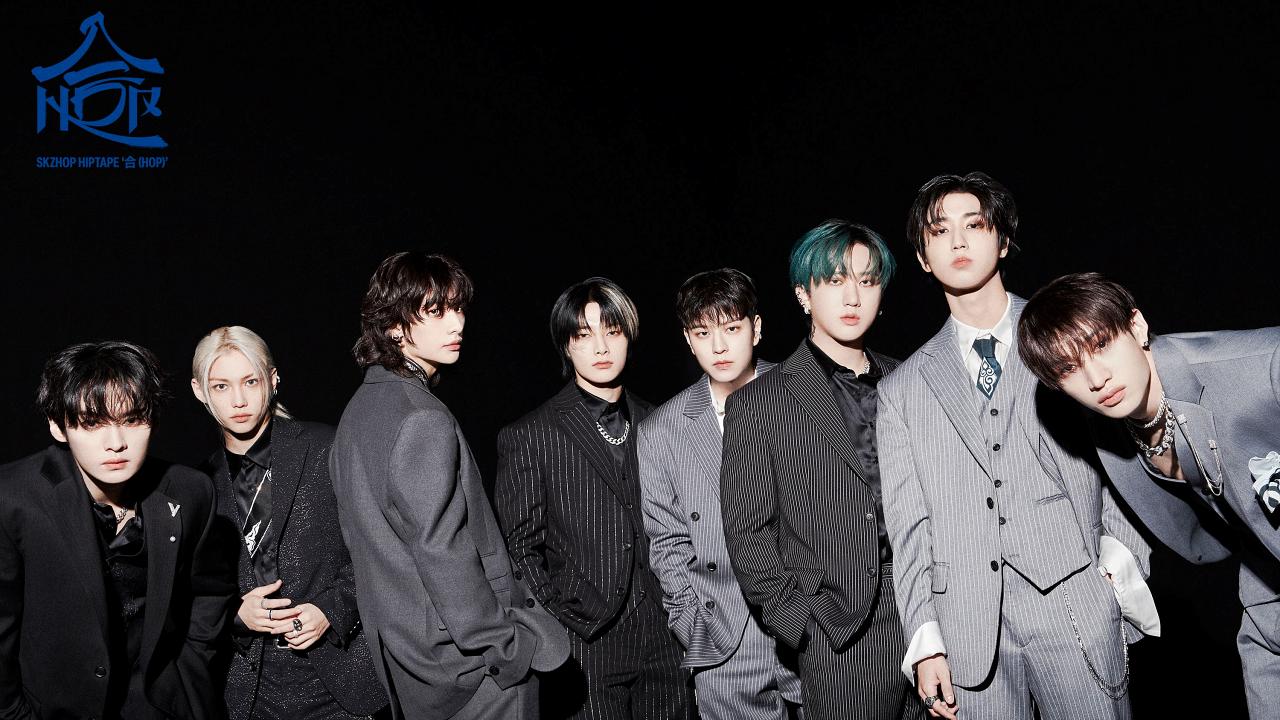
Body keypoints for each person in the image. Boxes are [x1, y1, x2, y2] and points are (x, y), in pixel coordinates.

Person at [877, 172, 1155, 720]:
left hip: (1075, 604)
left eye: (975, 225)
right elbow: (908, 524)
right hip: (967, 629)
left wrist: (1118, 567)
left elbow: (1123, 447)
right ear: (923, 258)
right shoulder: (901, 390)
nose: (958, 241)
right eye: (940, 231)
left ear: (1002, 240)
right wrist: (925, 639)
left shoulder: (1067, 338)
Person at [1017, 271, 1280, 719]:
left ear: (1136, 326)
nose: (1096, 377)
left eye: (1101, 344)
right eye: (1068, 368)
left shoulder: (1264, 367)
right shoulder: (1110, 435)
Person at [330, 252, 569, 720]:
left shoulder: (357, 412)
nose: (457, 323)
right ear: (393, 327)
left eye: (458, 308)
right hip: (470, 672)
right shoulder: (420, 417)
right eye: (436, 311)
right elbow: (443, 549)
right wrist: (505, 648)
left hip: (411, 671)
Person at [720, 221, 920, 720]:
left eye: (867, 281)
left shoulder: (909, 379)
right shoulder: (760, 403)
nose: (853, 296)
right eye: (835, 280)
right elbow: (747, 532)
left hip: (931, 612)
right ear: (803, 295)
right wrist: (802, 625)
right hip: (839, 633)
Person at [0, 341, 234, 719]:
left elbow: (211, 590)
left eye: (132, 420)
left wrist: (189, 668)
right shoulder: (13, 498)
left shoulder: (190, 491)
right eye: (93, 423)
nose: (116, 443)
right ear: (58, 426)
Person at [494, 277, 691, 720]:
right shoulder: (532, 434)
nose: (601, 347)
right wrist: (561, 619)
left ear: (629, 337)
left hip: (666, 635)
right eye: (584, 335)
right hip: (586, 644)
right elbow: (520, 548)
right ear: (567, 345)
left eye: (612, 332)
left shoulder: (659, 420)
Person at [191, 326, 386, 719]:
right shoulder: (197, 486)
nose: (239, 400)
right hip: (247, 694)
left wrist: (332, 610)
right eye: (221, 386)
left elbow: (379, 547)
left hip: (339, 682)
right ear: (200, 391)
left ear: (273, 380)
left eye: (250, 381)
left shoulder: (327, 447)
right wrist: (235, 615)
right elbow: (191, 593)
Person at [637, 268, 803, 720]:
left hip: (810, 623)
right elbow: (666, 542)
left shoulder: (803, 395)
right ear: (688, 340)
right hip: (724, 637)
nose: (719, 346)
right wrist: (693, 622)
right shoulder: (661, 431)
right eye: (703, 333)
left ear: (756, 328)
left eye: (731, 328)